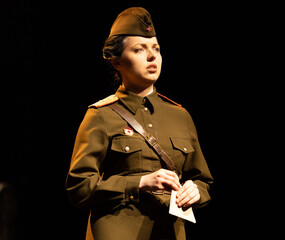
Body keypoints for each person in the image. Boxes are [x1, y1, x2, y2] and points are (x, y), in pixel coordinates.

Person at [65, 7, 213, 240]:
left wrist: (196, 191)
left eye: (156, 49)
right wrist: (141, 182)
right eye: (139, 50)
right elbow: (79, 189)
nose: (152, 56)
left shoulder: (180, 116)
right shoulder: (101, 115)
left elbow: (203, 180)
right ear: (117, 62)